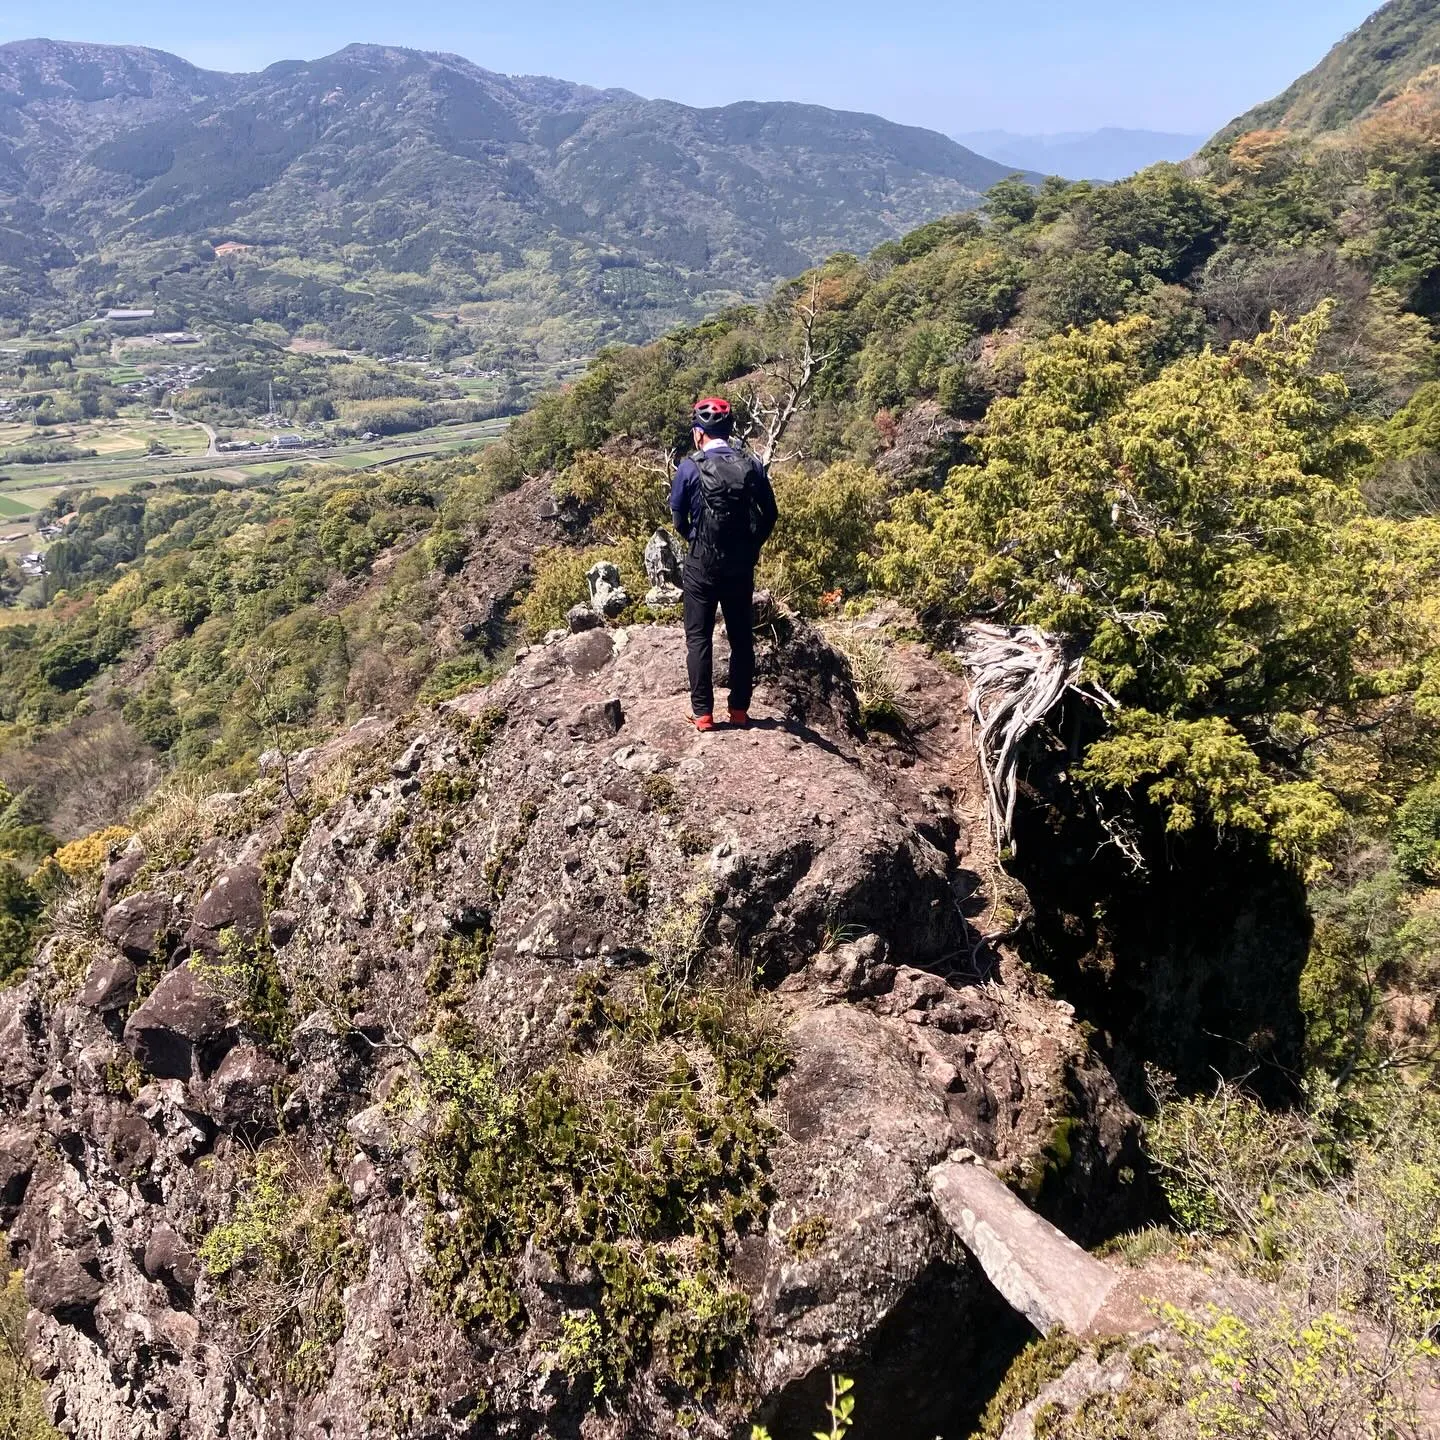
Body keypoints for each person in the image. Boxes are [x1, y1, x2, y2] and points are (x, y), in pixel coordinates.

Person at [669, 397, 778, 732]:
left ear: (699, 434)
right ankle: (740, 710)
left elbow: (678, 518)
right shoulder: (751, 464)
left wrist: (696, 541)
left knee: (698, 637)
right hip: (739, 567)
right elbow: (769, 514)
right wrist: (750, 547)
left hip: (702, 566)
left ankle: (703, 714)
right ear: (729, 431)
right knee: (741, 636)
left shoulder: (690, 467)